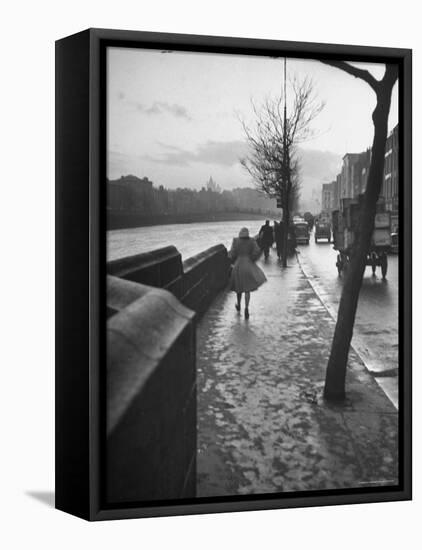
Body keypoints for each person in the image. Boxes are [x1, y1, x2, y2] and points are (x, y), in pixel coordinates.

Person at [229, 227, 267, 319]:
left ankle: (238, 304)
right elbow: (257, 251)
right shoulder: (251, 241)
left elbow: (232, 253)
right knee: (247, 289)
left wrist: (232, 260)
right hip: (248, 265)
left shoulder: (235, 241)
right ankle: (246, 308)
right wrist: (252, 259)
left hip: (238, 265)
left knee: (238, 288)